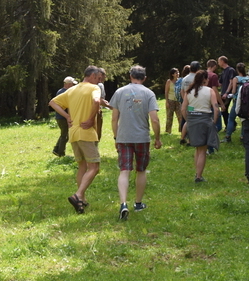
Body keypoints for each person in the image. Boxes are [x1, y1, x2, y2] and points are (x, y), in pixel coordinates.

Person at [110, 65, 162, 220]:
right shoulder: (149, 93)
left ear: (130, 76)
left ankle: (123, 203)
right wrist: (157, 138)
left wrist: (116, 137)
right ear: (144, 78)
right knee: (141, 170)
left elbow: (114, 118)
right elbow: (154, 119)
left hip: (124, 138)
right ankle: (138, 203)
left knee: (124, 170)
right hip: (142, 138)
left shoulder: (119, 92)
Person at [49, 66, 102, 214]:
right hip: (86, 133)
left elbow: (53, 102)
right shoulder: (93, 88)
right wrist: (91, 119)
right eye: (97, 78)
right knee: (94, 167)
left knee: (82, 166)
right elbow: (97, 101)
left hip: (73, 133)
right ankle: (78, 195)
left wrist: (67, 117)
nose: (98, 81)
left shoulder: (71, 90)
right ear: (92, 76)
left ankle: (82, 201)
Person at [181, 70, 220, 182]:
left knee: (197, 149)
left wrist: (188, 119)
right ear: (205, 80)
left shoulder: (189, 92)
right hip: (205, 119)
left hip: (192, 120)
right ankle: (199, 176)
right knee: (203, 150)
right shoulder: (210, 91)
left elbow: (184, 109)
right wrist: (214, 121)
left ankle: (196, 173)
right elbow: (216, 108)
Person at [223, 62, 249, 143]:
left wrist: (231, 94)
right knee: (244, 120)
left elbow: (234, 91)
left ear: (237, 70)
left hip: (237, 101)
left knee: (231, 119)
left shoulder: (236, 78)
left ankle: (228, 137)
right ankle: (242, 136)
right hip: (246, 102)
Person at [53, 76, 77, 156]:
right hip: (62, 117)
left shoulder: (62, 91)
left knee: (64, 134)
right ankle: (60, 152)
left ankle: (56, 149)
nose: (73, 86)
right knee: (65, 136)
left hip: (62, 117)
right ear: (68, 84)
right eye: (72, 84)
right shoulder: (63, 92)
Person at [218, 56, 236, 132]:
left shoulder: (231, 70)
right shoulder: (223, 71)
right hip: (223, 93)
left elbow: (231, 82)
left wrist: (226, 92)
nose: (218, 63)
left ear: (222, 61)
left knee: (224, 109)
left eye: (219, 61)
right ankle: (231, 124)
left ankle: (229, 126)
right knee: (223, 110)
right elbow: (220, 83)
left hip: (228, 94)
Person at [164, 68, 182, 133]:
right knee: (169, 117)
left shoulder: (180, 81)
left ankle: (181, 130)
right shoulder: (169, 81)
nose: (178, 74)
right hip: (170, 100)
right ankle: (168, 131)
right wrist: (167, 101)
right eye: (176, 73)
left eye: (178, 72)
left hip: (178, 100)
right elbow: (166, 92)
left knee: (180, 116)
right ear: (172, 74)